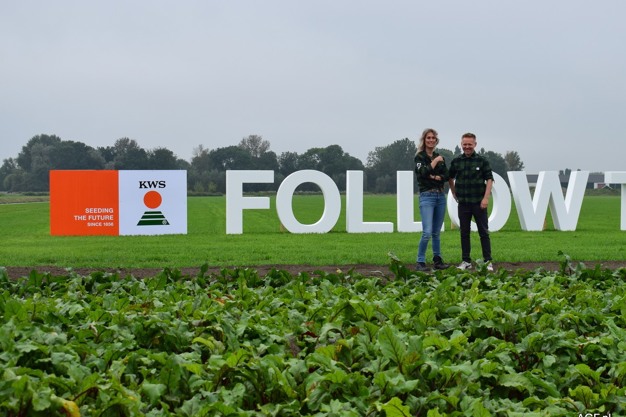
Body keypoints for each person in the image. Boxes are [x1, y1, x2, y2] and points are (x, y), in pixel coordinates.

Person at [448, 132, 494, 271]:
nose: (467, 147)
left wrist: (486, 198)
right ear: (461, 144)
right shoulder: (457, 161)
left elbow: (489, 179)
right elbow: (450, 177)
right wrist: (454, 192)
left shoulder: (482, 161)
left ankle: (488, 261)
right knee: (464, 233)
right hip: (463, 203)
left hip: (479, 203)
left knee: (483, 232)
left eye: (470, 144)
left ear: (475, 144)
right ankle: (466, 261)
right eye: (465, 144)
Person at [414, 128, 450, 271]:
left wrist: (434, 176)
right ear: (424, 140)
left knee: (436, 232)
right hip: (427, 196)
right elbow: (422, 173)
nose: (431, 140)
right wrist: (434, 162)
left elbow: (446, 176)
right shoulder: (420, 157)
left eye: (433, 138)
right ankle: (420, 261)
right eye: (428, 138)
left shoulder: (440, 157)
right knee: (427, 232)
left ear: (436, 140)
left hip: (440, 196)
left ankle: (437, 260)